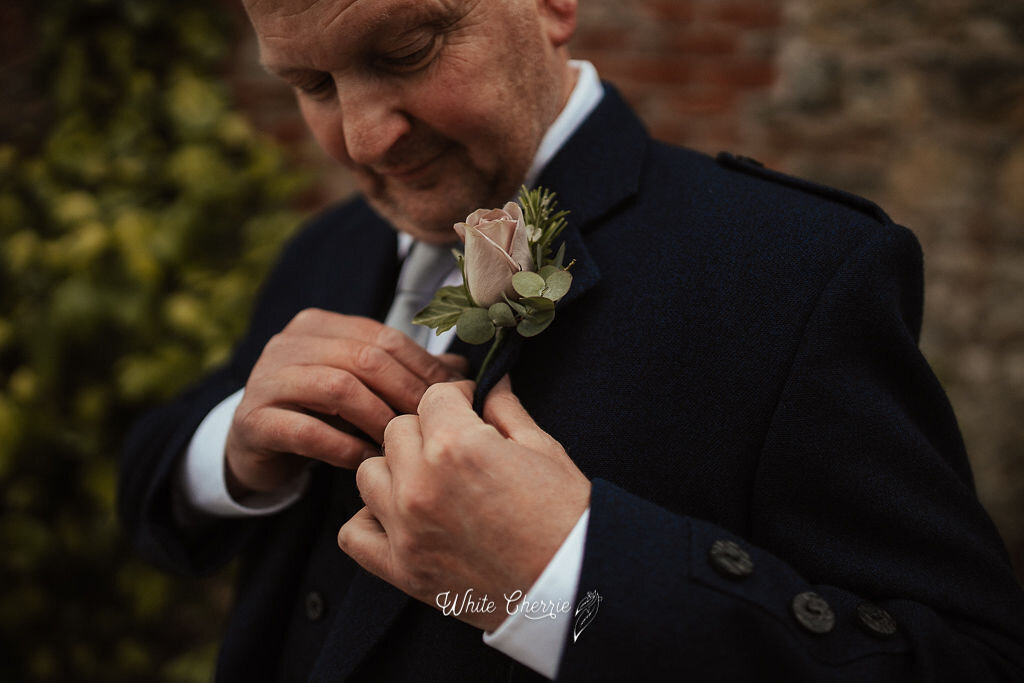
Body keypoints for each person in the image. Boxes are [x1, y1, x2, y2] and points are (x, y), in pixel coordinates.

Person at [119, 0, 1024, 680]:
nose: (362, 139)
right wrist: (232, 445)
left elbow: (968, 661)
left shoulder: (795, 270)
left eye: (405, 50)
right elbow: (152, 500)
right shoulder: (326, 246)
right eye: (310, 85)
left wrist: (567, 583)